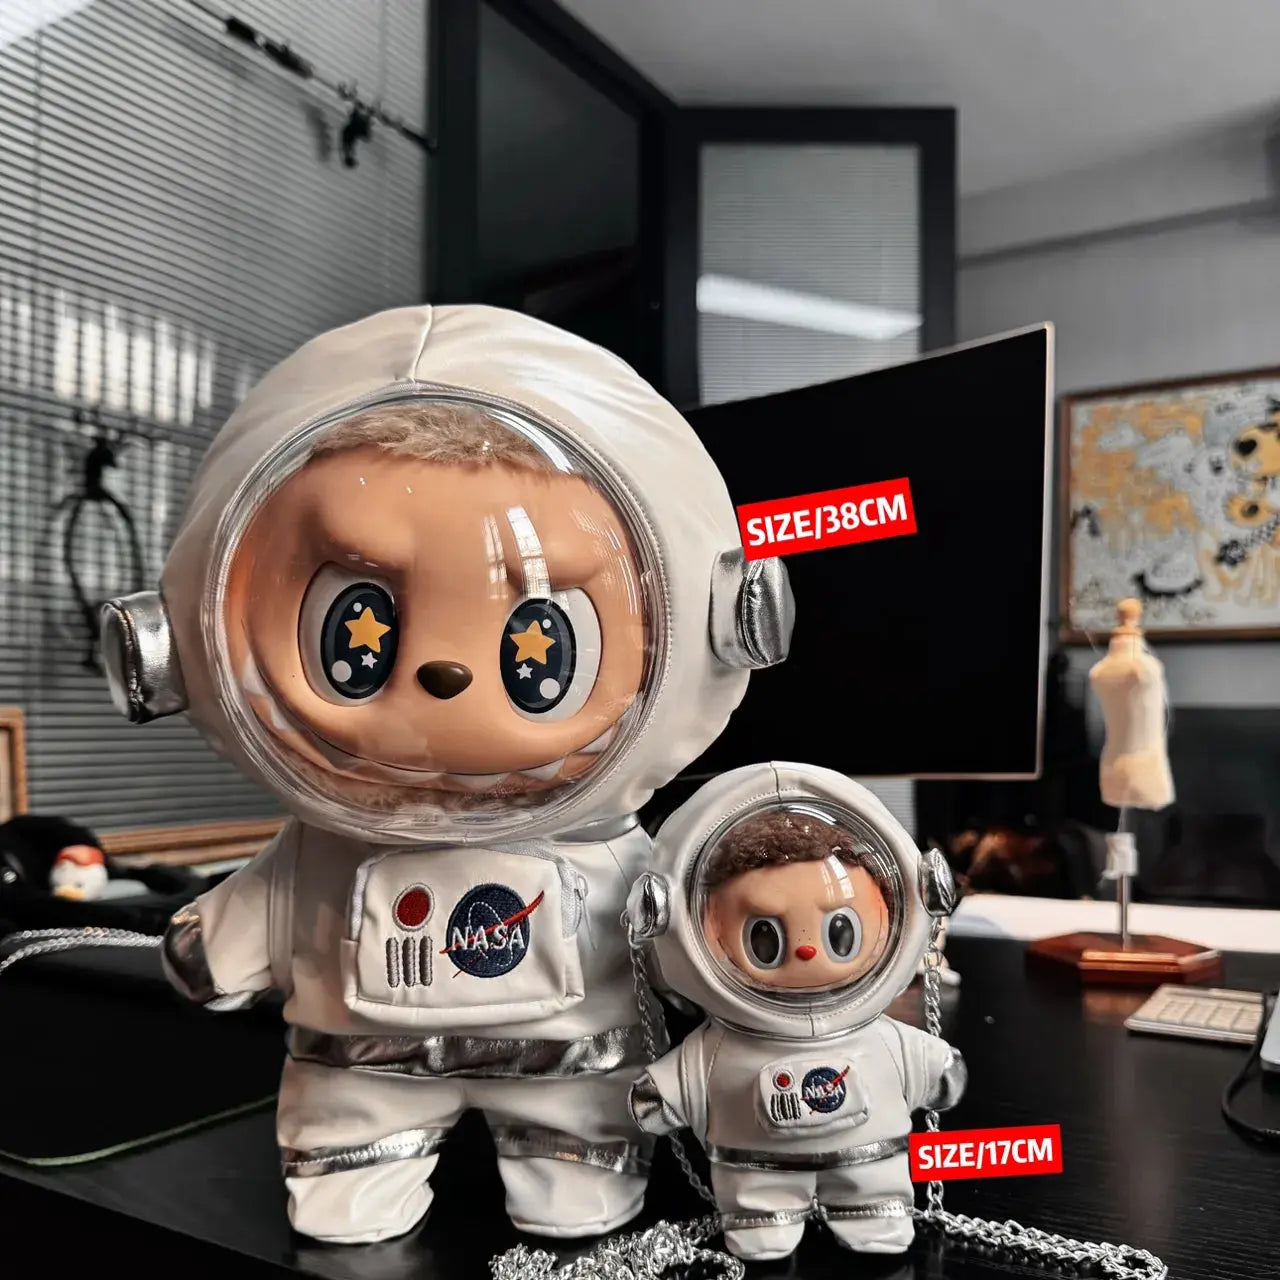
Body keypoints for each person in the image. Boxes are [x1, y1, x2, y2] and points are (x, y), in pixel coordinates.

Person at [100, 305, 792, 1243]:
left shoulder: (608, 852)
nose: (445, 674)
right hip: (360, 1072)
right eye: (355, 635)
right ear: (184, 640)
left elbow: (676, 936)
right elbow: (272, 896)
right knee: (345, 1202)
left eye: (538, 644)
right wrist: (210, 944)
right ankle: (364, 1167)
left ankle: (568, 1165)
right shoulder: (322, 846)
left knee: (579, 1185)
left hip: (575, 1079)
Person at [627, 762, 964, 1261]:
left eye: (839, 931)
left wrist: (936, 1068)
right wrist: (664, 1095)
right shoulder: (723, 1042)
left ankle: (872, 1208)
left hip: (868, 1163)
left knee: (873, 1195)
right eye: (764, 936)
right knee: (760, 1214)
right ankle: (762, 1219)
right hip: (752, 1169)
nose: (807, 951)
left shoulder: (876, 1033)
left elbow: (926, 1062)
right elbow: (683, 1079)